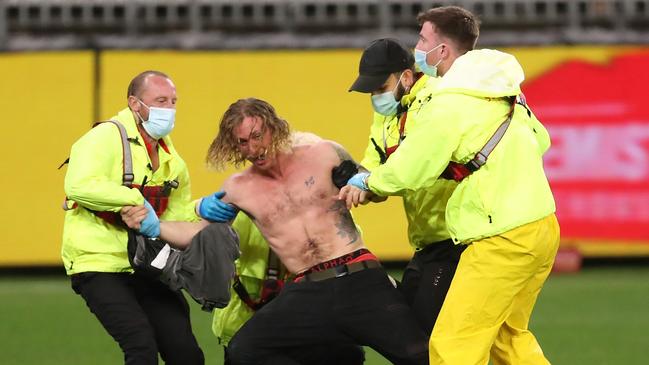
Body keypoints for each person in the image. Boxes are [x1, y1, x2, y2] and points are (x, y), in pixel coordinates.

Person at [123, 98, 429, 365]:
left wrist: (364, 186)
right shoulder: (240, 188)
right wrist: (156, 226)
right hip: (306, 290)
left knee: (421, 355)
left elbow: (375, 187)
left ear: (274, 126)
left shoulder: (322, 152)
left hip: (358, 275)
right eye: (243, 142)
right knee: (245, 351)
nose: (254, 148)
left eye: (258, 135)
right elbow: (200, 233)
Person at [341, 6, 559, 365]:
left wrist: (370, 180)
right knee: (506, 338)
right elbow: (541, 139)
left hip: (499, 235)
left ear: (442, 51)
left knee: (450, 347)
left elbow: (412, 169)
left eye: (423, 39)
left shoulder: (449, 102)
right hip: (541, 224)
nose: (417, 47)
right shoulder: (501, 89)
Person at [61, 70, 205, 365]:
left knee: (186, 354)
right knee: (141, 349)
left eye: (174, 101)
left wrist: (204, 215)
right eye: (161, 100)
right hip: (99, 263)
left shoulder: (173, 161)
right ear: (134, 103)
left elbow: (176, 218)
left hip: (147, 265)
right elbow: (78, 185)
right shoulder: (103, 137)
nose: (169, 109)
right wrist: (134, 200)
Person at [348, 37, 463, 334]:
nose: (376, 97)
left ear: (407, 77)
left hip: (456, 239)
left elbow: (413, 171)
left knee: (424, 336)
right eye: (371, 91)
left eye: (380, 88)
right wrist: (358, 181)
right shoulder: (388, 113)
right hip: (427, 242)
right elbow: (373, 160)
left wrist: (371, 184)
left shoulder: (435, 102)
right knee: (404, 329)